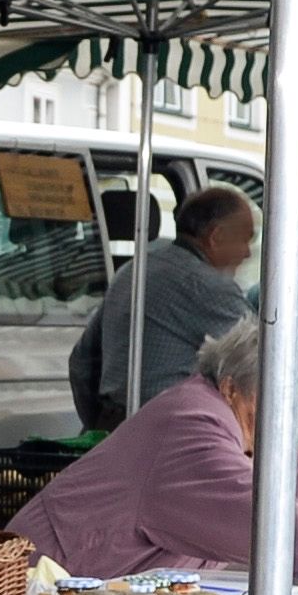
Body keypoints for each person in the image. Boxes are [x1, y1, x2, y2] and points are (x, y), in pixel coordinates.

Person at [11, 318, 298, 578]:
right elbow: (273, 521)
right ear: (230, 387)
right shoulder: (192, 425)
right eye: (274, 399)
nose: (284, 416)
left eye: (291, 401)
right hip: (44, 580)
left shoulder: (258, 427)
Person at [72, 181, 255, 424]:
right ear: (217, 236)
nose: (247, 253)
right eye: (245, 239)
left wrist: (99, 426)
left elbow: (82, 361)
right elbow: (265, 358)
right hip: (169, 426)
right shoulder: (205, 285)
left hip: (115, 420)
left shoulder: (133, 270)